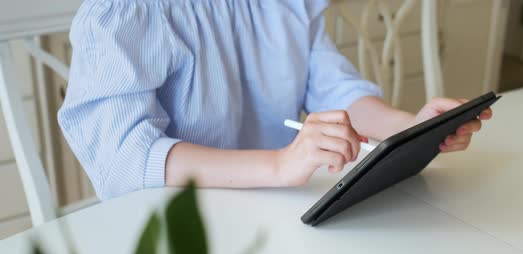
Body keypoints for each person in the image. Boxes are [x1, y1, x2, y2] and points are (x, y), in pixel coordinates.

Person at [59, 0, 492, 200]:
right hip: (176, 234)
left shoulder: (284, 5)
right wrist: (280, 165)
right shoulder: (126, 13)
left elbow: (339, 92)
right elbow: (123, 160)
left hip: (274, 208)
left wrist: (412, 127)